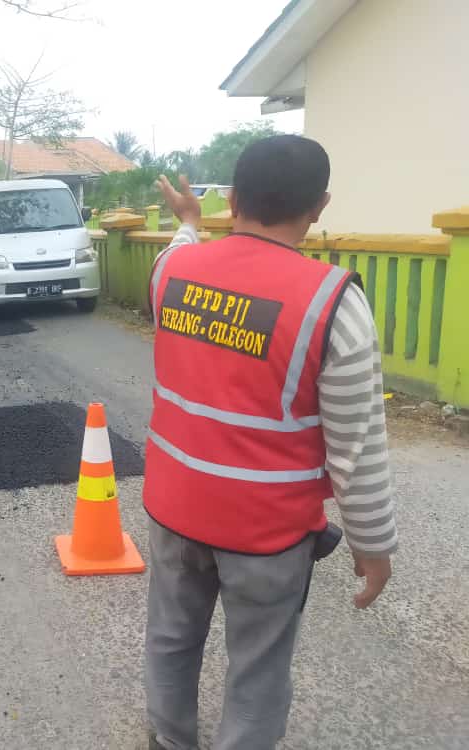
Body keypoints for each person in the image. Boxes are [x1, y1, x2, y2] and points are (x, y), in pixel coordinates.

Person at [142, 136, 396, 750]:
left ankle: (168, 741)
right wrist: (373, 545)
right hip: (266, 532)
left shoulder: (171, 272)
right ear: (320, 205)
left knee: (171, 640)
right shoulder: (334, 302)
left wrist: (188, 224)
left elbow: (179, 249)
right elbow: (356, 449)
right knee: (257, 672)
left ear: (232, 198)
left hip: (174, 508)